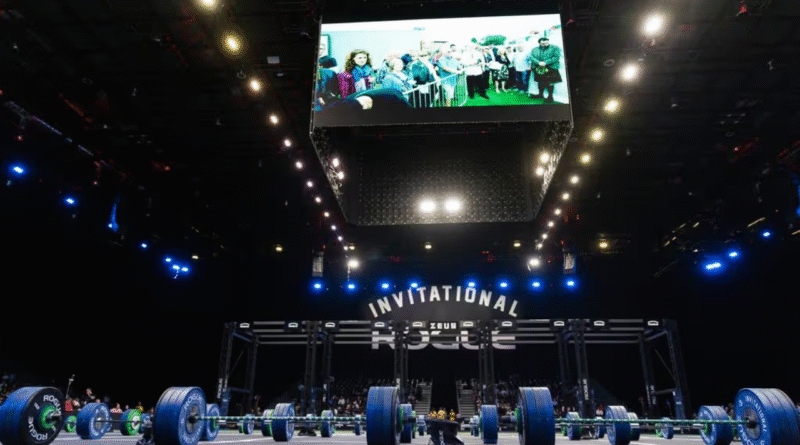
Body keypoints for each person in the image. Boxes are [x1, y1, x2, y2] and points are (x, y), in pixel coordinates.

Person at [529, 37, 563, 103]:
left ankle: (550, 97)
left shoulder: (554, 48)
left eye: (546, 42)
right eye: (543, 43)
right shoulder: (534, 49)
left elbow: (556, 57)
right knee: (540, 82)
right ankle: (540, 94)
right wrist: (538, 62)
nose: (545, 44)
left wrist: (546, 62)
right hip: (539, 68)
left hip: (551, 68)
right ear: (539, 43)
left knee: (550, 83)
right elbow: (531, 57)